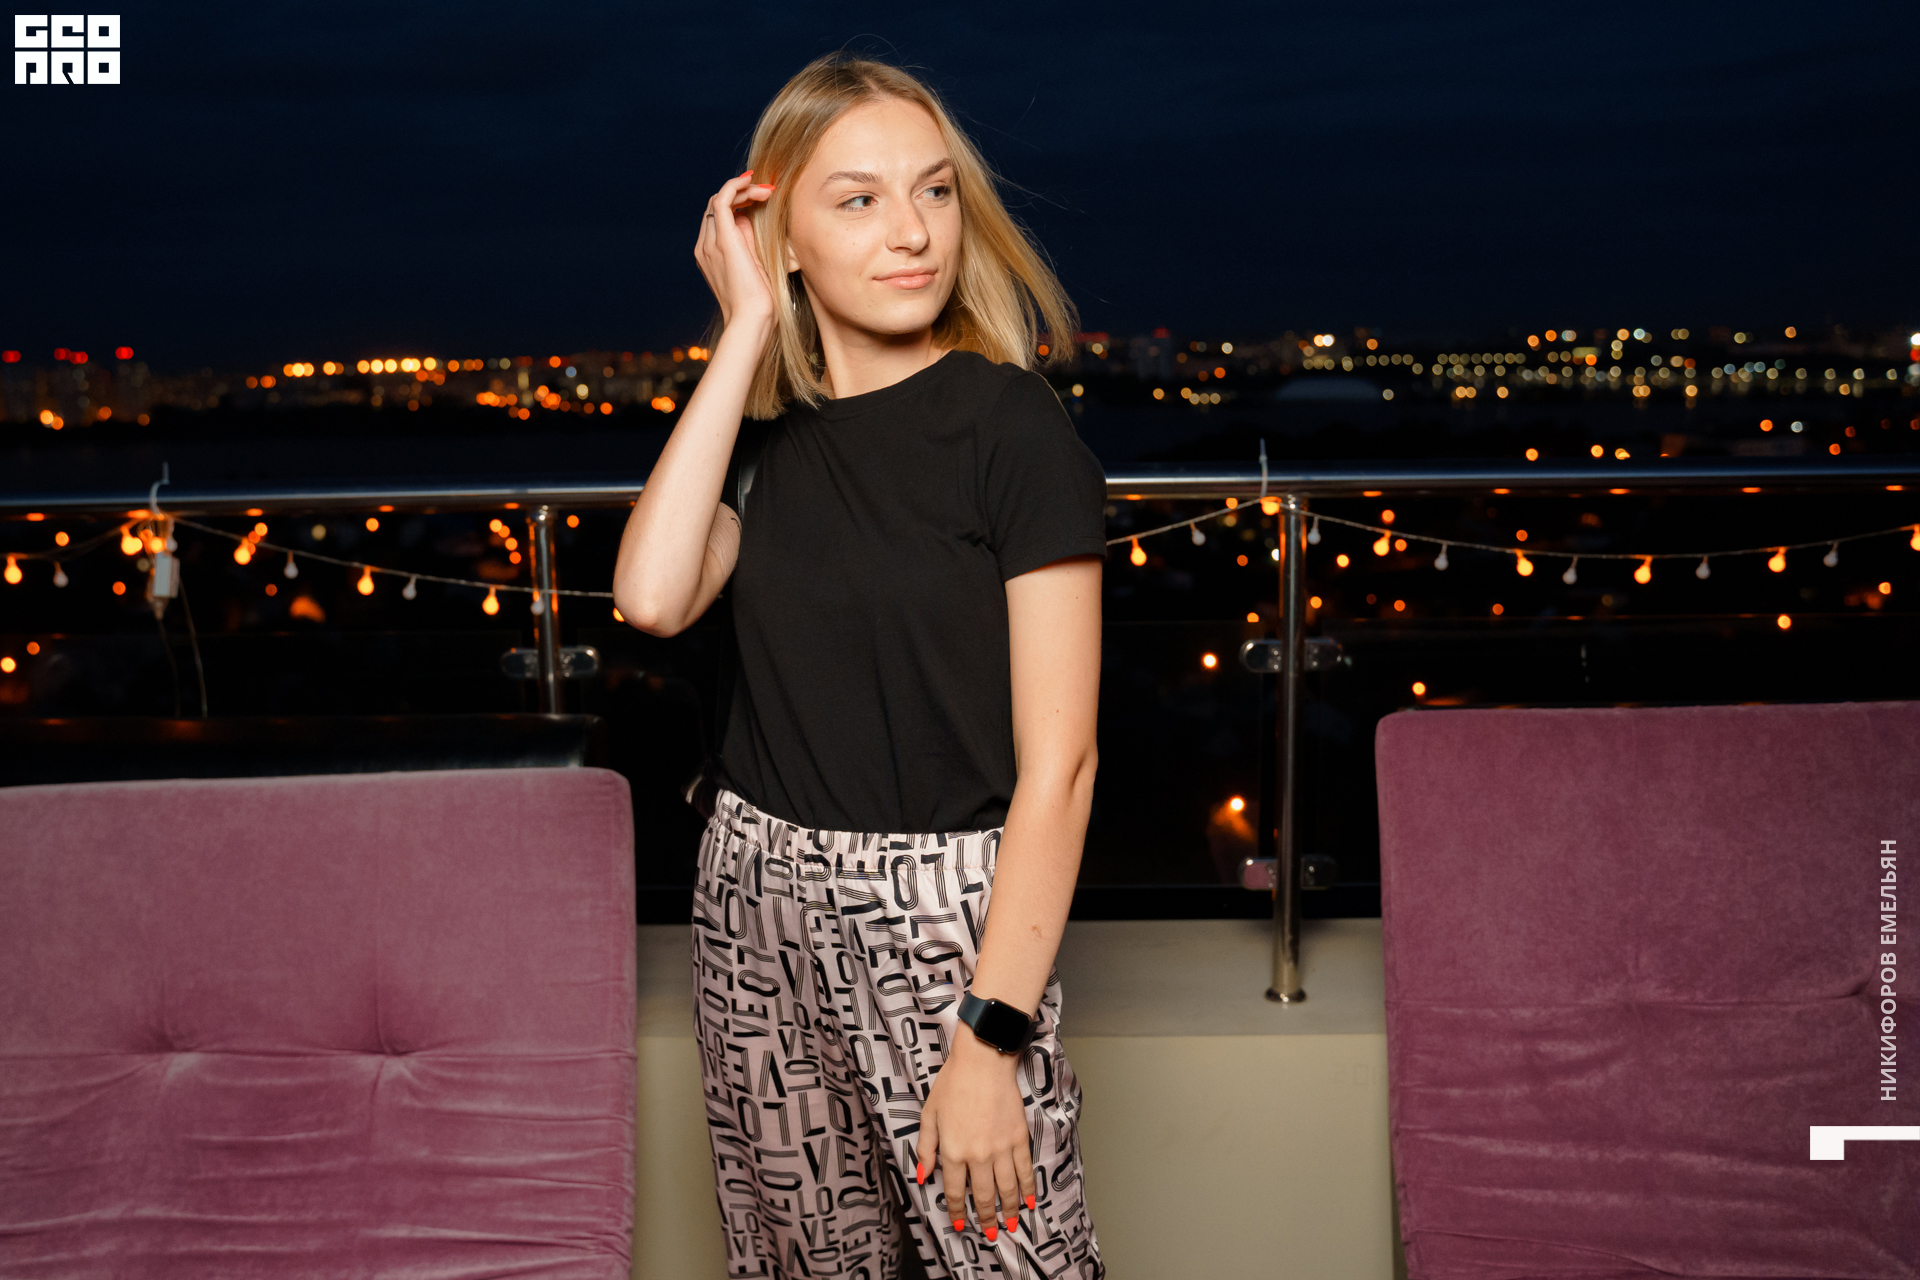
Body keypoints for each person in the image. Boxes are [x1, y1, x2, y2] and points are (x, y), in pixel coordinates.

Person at [612, 51, 1108, 1280]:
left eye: (934, 191)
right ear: (779, 233)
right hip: (754, 904)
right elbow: (651, 597)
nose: (913, 231)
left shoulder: (1010, 427)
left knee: (1009, 1255)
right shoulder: (763, 443)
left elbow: (1062, 767)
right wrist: (746, 329)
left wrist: (989, 1037)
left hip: (948, 922)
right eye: (859, 199)